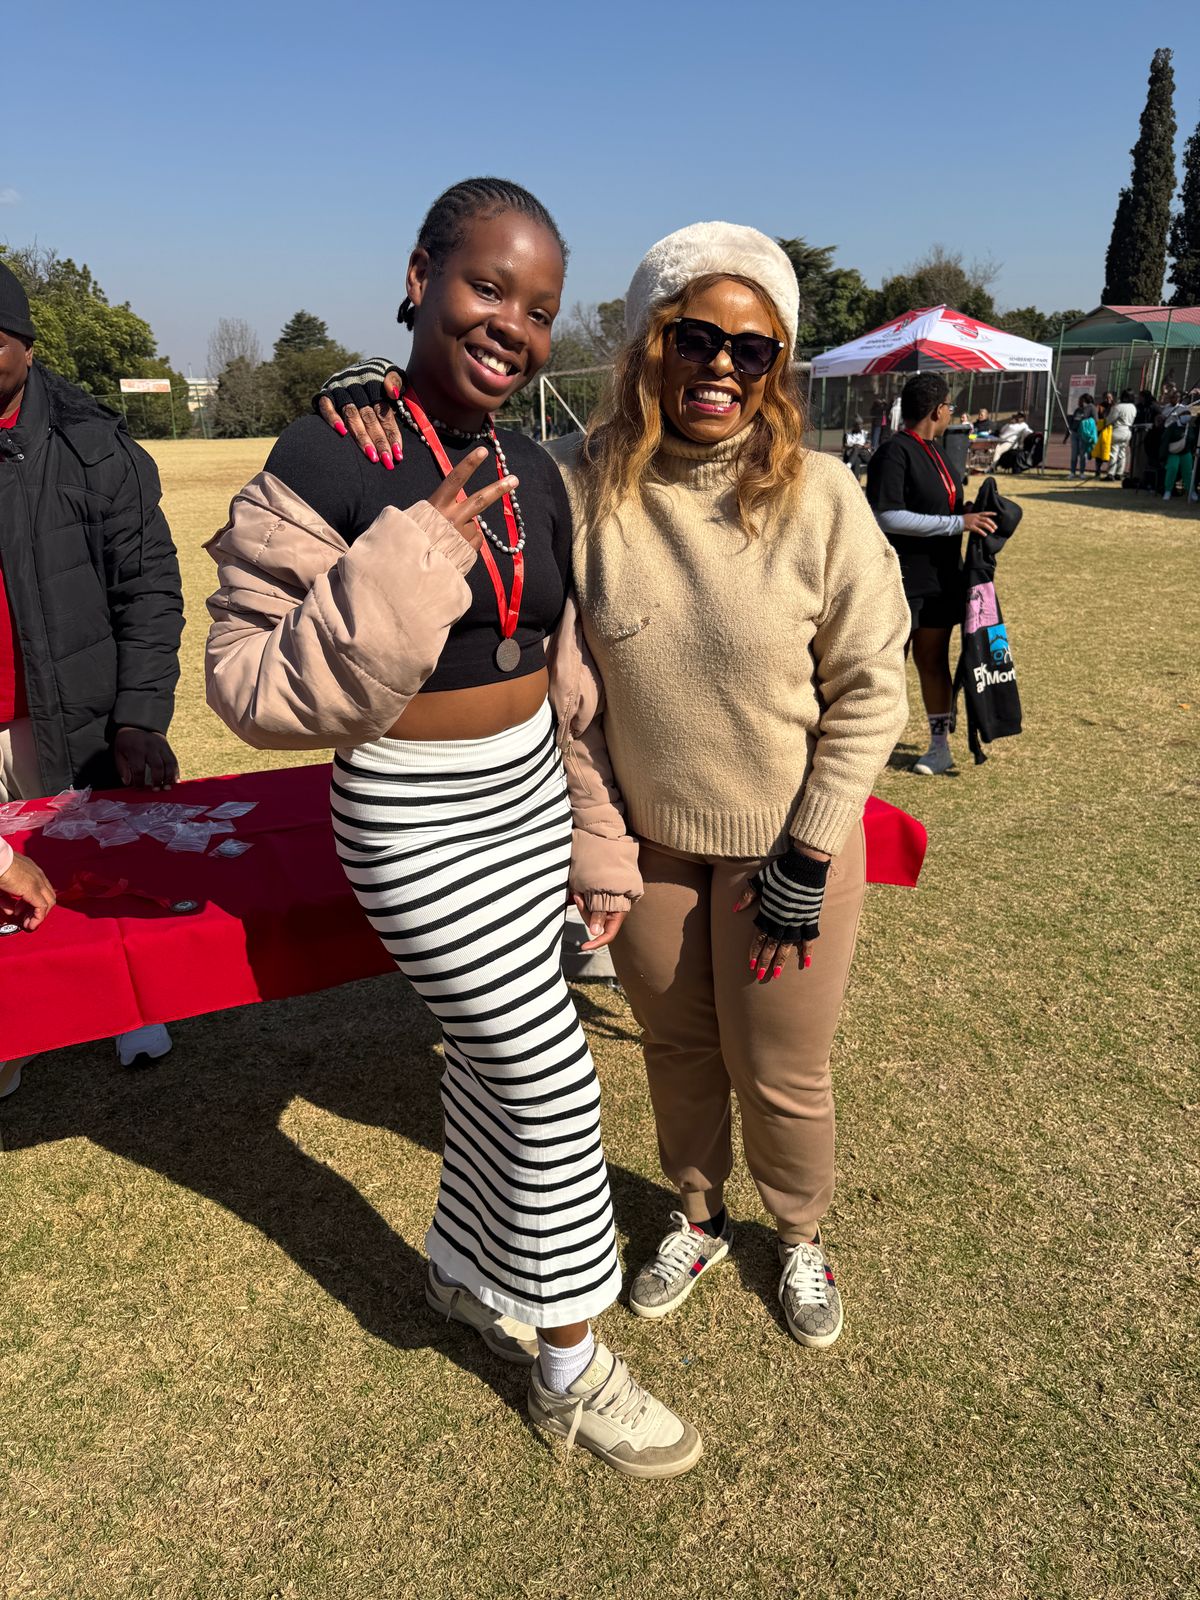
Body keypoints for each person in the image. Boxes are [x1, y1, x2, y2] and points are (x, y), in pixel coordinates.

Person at [316, 222, 911, 1357]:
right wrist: (372, 393)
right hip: (651, 848)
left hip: (792, 851)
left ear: (777, 368)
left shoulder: (824, 496)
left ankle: (798, 1235)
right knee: (678, 1052)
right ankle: (699, 1216)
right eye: (696, 339)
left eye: (753, 349)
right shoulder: (583, 488)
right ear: (649, 347)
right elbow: (556, 666)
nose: (722, 367)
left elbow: (874, 685)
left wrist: (811, 846)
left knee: (780, 1069)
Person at [205, 178, 701, 1480]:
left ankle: (461, 1271)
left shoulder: (536, 469)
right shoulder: (331, 452)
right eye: (488, 286)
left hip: (531, 795)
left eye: (538, 309)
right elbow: (243, 682)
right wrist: (410, 555)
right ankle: (569, 1368)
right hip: (411, 814)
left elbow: (570, 684)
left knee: (489, 1070)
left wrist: (596, 839)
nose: (512, 326)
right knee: (549, 1076)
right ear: (421, 277)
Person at [0, 262, 183, 1093]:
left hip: (70, 713)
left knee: (95, 878)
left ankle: (130, 1010)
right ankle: (17, 1032)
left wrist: (139, 715)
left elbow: (149, 587)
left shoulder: (93, 444)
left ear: (27, 348)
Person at [865, 374, 997, 775]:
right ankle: (867, 746)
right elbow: (886, 516)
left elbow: (940, 507)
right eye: (950, 407)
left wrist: (969, 513)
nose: (951, 414)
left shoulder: (938, 451)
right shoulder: (894, 452)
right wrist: (957, 524)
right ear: (938, 410)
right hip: (901, 580)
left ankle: (940, 748)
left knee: (933, 660)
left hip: (941, 579)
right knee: (887, 665)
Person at [1106, 390, 1137, 482]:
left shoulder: (1118, 407)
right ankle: (1119, 473)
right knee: (1122, 453)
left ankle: (1111, 473)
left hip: (1118, 429)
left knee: (1114, 452)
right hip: (1128, 430)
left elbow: (1109, 420)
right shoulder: (1133, 407)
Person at [1070, 394, 1098, 479]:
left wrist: (1087, 426)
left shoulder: (1092, 408)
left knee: (1083, 454)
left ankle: (1082, 472)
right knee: (1074, 454)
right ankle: (1072, 472)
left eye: (1081, 400)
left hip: (1083, 434)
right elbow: (1073, 420)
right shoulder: (1078, 409)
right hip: (1075, 433)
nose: (1080, 402)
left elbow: (1095, 420)